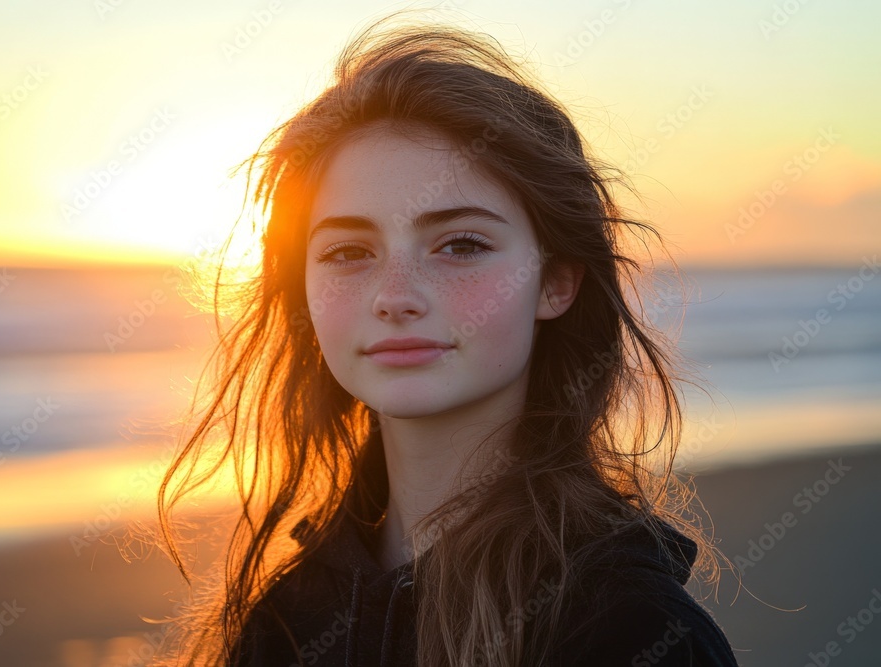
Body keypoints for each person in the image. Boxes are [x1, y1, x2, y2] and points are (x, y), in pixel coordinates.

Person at [156, 12, 740, 667]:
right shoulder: (284, 624)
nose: (395, 295)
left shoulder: (631, 630)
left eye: (461, 244)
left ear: (555, 282)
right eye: (348, 252)